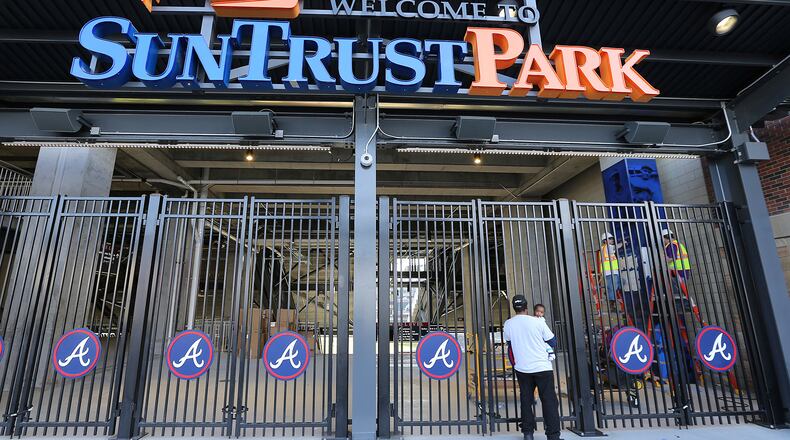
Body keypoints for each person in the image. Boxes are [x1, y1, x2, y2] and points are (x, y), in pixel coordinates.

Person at [504, 295, 562, 440]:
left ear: (514, 308)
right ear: (527, 307)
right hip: (542, 367)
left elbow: (510, 344)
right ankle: (553, 436)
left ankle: (528, 434)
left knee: (526, 399)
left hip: (523, 368)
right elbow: (553, 341)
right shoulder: (538, 322)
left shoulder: (509, 324)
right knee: (549, 401)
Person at [598, 233, 622, 305]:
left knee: (621, 283)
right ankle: (611, 305)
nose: (612, 240)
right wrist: (622, 243)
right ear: (605, 241)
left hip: (614, 271)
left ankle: (608, 292)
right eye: (610, 238)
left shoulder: (607, 248)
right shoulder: (606, 247)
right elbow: (616, 247)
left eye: (612, 238)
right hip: (609, 272)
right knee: (613, 287)